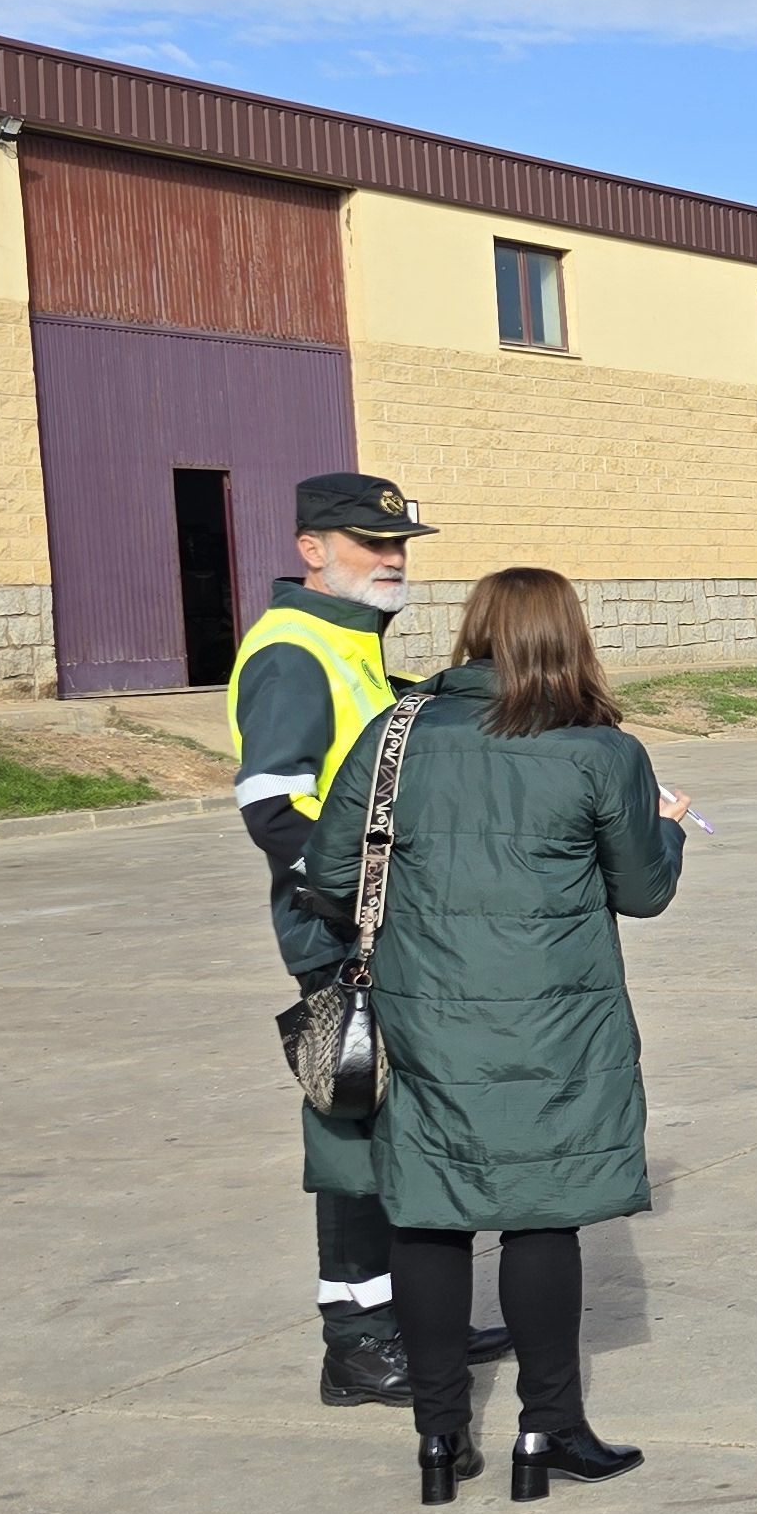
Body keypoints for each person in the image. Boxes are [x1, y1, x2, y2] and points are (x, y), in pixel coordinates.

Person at [307, 566, 686, 1504]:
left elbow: (327, 871)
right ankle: (547, 1429)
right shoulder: (601, 752)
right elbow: (643, 892)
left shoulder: (393, 735)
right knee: (540, 1215)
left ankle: (439, 1438)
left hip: (421, 1010)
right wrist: (668, 828)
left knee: (427, 1212)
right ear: (572, 637)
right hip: (555, 1018)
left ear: (473, 631)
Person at [227, 470, 502, 1409]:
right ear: (312, 548)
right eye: (369, 544)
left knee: (396, 1123)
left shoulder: (350, 643)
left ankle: (410, 1318)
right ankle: (356, 1341)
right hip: (338, 933)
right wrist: (356, 900)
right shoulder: (294, 651)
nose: (391, 561)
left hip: (380, 926)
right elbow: (272, 803)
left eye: (399, 546)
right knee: (352, 1125)